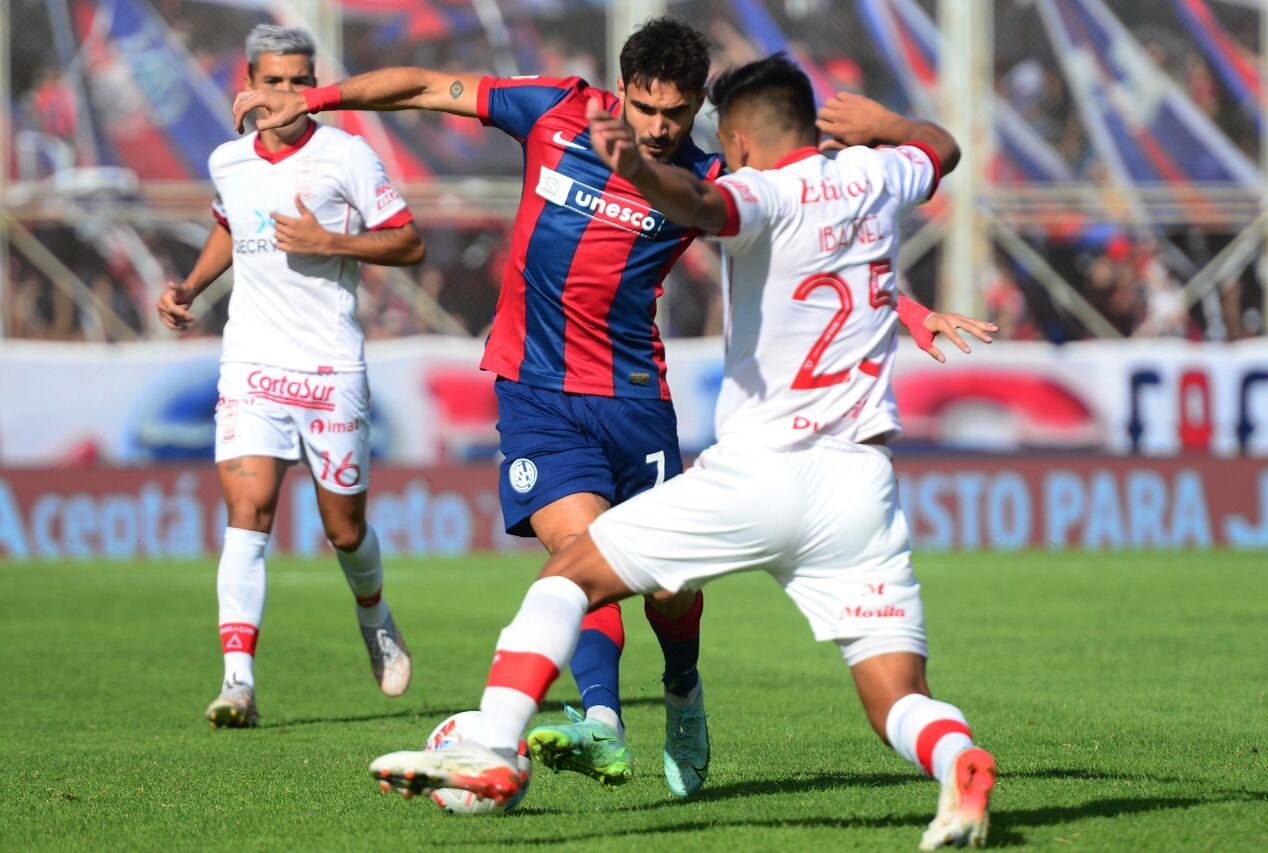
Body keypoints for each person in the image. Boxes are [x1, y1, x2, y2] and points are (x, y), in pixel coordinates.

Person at [233, 17, 979, 795]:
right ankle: (602, 721)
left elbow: (816, 249)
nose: (658, 128)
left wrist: (910, 311)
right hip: (536, 390)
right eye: (645, 108)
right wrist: (313, 100)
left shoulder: (705, 177)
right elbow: (423, 84)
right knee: (577, 552)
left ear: (698, 108)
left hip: (632, 399)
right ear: (619, 90)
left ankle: (683, 688)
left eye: (676, 113)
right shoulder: (553, 109)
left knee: (669, 593)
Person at [157, 25, 423, 728]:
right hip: (251, 363)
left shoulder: (347, 154)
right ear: (248, 84)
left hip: (330, 367)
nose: (287, 93)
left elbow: (409, 241)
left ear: (315, 85)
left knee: (344, 530)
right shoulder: (228, 159)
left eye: (300, 80)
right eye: (273, 80)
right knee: (248, 515)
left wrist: (330, 240)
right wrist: (189, 286)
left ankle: (375, 615)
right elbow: (230, 225)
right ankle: (237, 683)